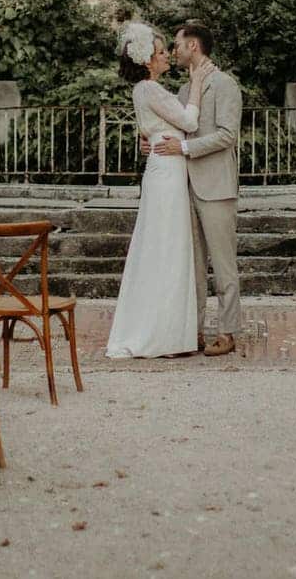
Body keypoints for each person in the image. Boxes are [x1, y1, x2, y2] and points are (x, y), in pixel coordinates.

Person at [106, 23, 210, 358]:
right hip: (166, 174)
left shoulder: (145, 90)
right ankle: (161, 333)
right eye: (162, 52)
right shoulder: (149, 89)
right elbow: (189, 122)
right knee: (166, 246)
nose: (167, 56)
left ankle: (168, 330)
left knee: (166, 245)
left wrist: (151, 141)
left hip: (165, 169)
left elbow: (158, 129)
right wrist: (195, 84)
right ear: (148, 59)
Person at [152, 22, 242, 357]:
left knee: (222, 264)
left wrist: (185, 149)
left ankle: (228, 331)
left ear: (193, 46)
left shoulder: (225, 84)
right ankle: (194, 332)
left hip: (216, 186)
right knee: (191, 266)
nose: (173, 51)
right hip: (184, 187)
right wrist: (154, 143)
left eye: (176, 45)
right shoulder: (183, 90)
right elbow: (177, 129)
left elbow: (226, 135)